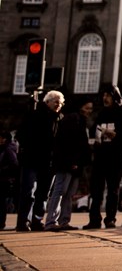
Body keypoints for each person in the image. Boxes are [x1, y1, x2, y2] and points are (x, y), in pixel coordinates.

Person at [85, 85, 122, 229]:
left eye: (108, 95)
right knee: (96, 190)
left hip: (116, 156)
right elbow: (94, 129)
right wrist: (95, 138)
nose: (105, 98)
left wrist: (117, 135)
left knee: (113, 189)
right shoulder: (102, 113)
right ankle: (94, 219)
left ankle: (110, 219)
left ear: (114, 96)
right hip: (101, 155)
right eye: (103, 95)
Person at [16, 90, 64, 232]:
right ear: (47, 102)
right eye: (55, 101)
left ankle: (37, 220)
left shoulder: (60, 119)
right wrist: (30, 148)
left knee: (43, 194)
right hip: (32, 159)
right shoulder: (34, 115)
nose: (58, 104)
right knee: (28, 192)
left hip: (49, 162)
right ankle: (24, 221)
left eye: (60, 103)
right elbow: (21, 135)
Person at [45, 98, 92, 231]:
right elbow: (71, 142)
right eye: (87, 108)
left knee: (67, 193)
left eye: (91, 109)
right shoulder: (73, 119)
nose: (89, 111)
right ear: (80, 107)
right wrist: (74, 161)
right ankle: (52, 221)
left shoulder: (78, 119)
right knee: (61, 191)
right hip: (68, 163)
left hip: (73, 163)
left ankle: (63, 220)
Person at [0, 131, 18, 230]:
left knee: (2, 203)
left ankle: (1, 223)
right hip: (4, 179)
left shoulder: (8, 149)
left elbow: (14, 164)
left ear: (4, 139)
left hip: (4, 180)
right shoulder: (5, 148)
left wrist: (2, 170)